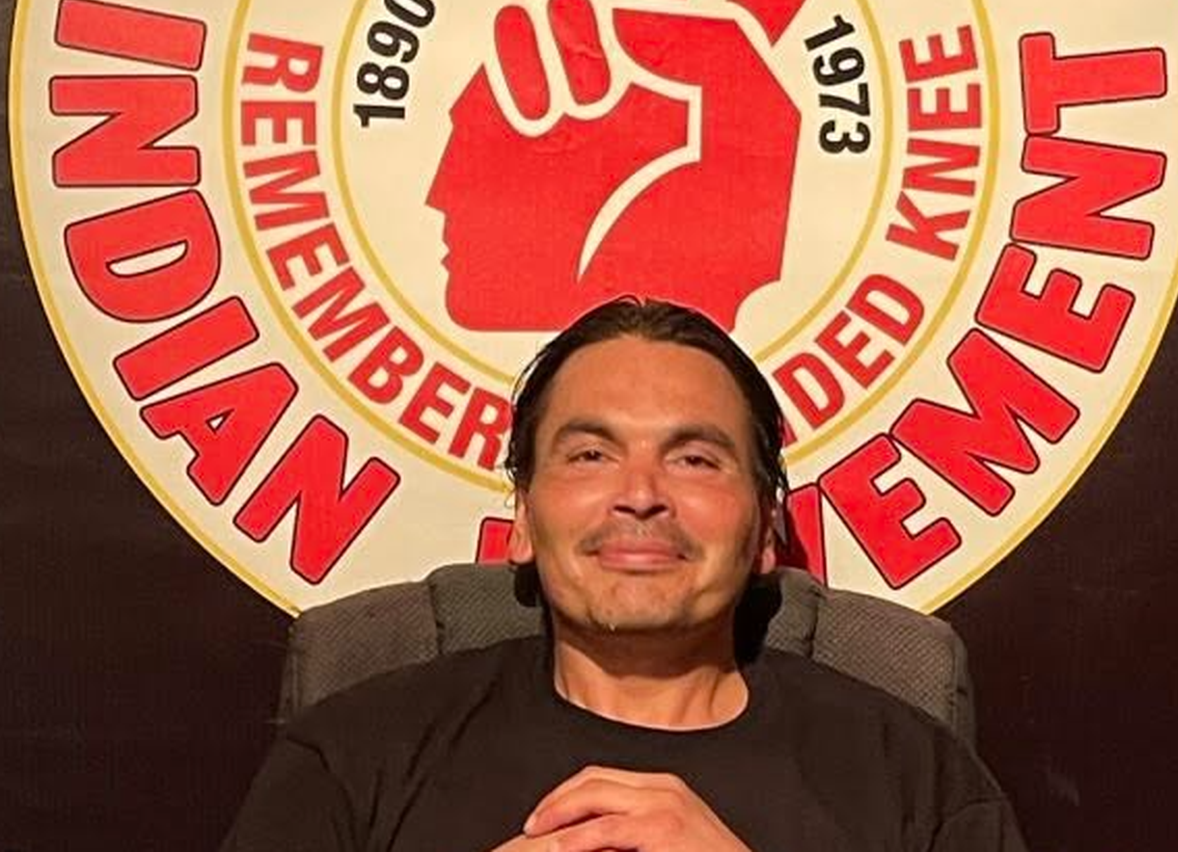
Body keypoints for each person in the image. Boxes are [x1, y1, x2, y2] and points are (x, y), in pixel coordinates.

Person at [221, 298, 1027, 851]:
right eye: (590, 455)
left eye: (695, 459)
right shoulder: (353, 756)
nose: (641, 494)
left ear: (765, 530)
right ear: (522, 518)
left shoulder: (915, 781)